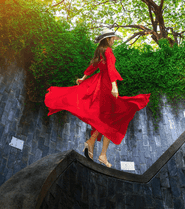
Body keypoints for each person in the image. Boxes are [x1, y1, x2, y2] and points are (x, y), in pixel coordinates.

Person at [44, 30, 150, 168]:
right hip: (107, 85)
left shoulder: (100, 51)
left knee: (107, 118)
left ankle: (96, 147)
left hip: (100, 84)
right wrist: (114, 86)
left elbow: (93, 66)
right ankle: (100, 151)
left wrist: (83, 77)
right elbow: (111, 68)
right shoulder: (108, 51)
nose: (114, 41)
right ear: (108, 39)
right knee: (110, 118)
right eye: (113, 38)